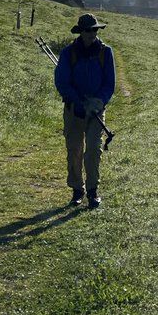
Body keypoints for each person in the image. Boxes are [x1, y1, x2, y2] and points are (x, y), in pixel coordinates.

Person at [54, 13, 116, 208]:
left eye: (95, 30)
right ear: (80, 31)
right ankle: (76, 190)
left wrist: (98, 102)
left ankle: (92, 191)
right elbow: (62, 82)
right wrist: (80, 102)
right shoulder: (68, 53)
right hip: (74, 110)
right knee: (74, 151)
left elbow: (109, 83)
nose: (92, 34)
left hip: (96, 112)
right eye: (88, 30)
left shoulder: (106, 53)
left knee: (93, 152)